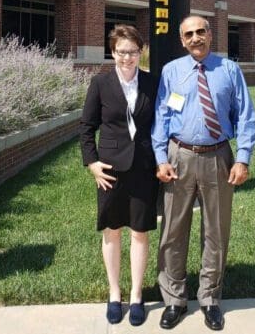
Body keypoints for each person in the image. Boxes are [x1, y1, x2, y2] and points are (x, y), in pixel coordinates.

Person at [152, 15, 255, 331]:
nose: (196, 38)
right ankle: (175, 299)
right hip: (179, 156)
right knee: (173, 230)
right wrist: (161, 158)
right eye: (189, 34)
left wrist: (242, 158)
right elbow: (162, 115)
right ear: (182, 40)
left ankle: (210, 298)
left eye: (201, 31)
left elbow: (246, 116)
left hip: (217, 157)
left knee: (216, 231)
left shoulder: (229, 71)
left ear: (210, 35)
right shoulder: (172, 71)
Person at [79, 25, 159, 326]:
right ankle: (115, 294)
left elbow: (160, 123)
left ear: (140, 53)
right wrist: (92, 163)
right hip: (109, 170)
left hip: (143, 167)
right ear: (113, 52)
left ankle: (137, 295)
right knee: (111, 231)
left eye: (133, 51)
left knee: (139, 232)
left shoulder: (152, 82)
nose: (127, 57)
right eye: (122, 51)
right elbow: (87, 127)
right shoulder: (100, 83)